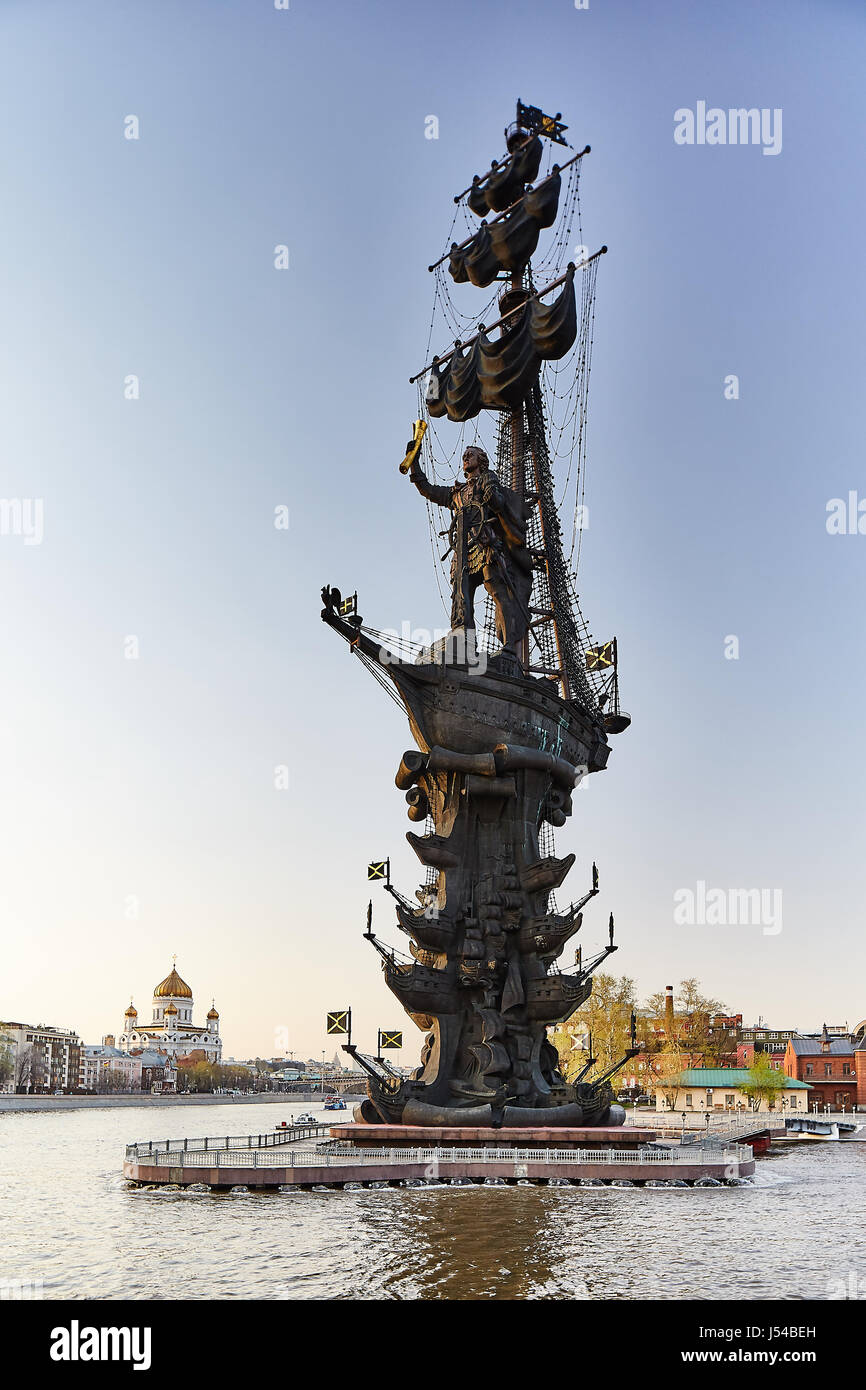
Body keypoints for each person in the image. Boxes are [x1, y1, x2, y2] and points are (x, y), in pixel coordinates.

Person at [408, 444, 533, 659]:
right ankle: (464, 642)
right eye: (464, 455)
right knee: (461, 598)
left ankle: (509, 646)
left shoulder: (487, 479)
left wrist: (490, 489)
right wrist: (414, 463)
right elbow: (428, 489)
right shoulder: (456, 494)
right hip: (463, 551)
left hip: (486, 546)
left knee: (498, 592)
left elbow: (498, 503)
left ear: (481, 460)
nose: (466, 457)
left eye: (471, 455)